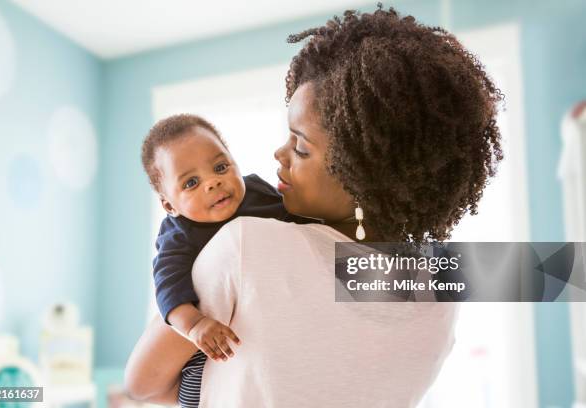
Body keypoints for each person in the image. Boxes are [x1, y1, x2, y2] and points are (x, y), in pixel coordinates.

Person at [125, 5, 503, 407]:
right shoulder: (442, 290)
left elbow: (142, 384)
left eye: (300, 147)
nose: (279, 154)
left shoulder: (247, 246)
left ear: (362, 174)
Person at [141, 113, 314, 408]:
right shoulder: (178, 232)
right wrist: (195, 326)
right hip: (206, 342)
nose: (213, 183)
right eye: (191, 182)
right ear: (169, 204)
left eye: (221, 167)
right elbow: (168, 289)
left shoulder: (258, 191)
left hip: (266, 330)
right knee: (200, 383)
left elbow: (297, 225)